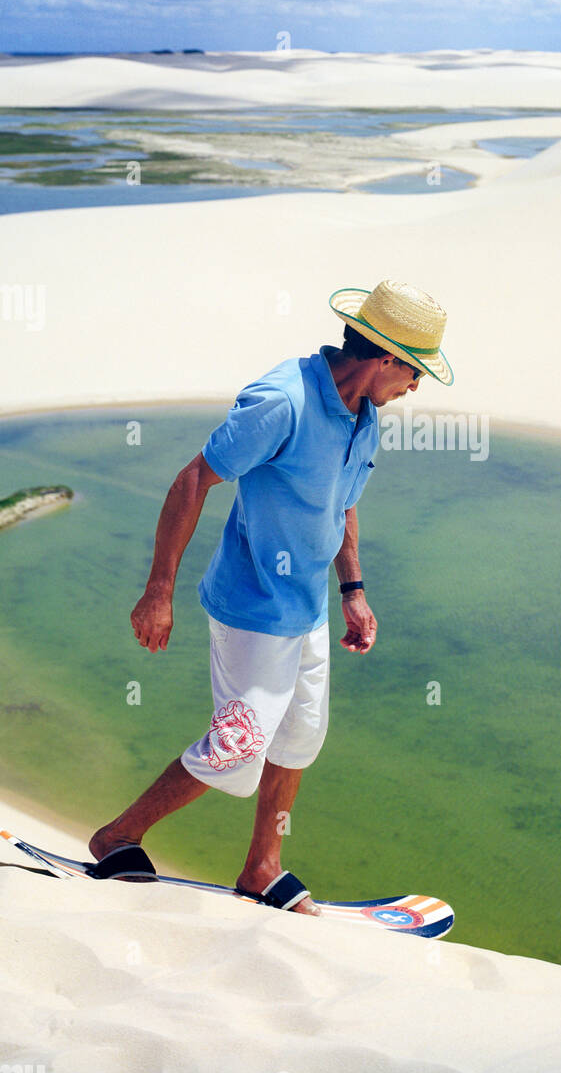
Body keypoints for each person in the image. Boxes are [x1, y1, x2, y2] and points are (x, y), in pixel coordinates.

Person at [88, 280, 453, 915]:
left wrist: (354, 591)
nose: (415, 388)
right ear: (386, 358)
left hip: (307, 608)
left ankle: (262, 867)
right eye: (415, 372)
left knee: (299, 739)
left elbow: (343, 501)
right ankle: (117, 836)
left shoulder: (364, 415)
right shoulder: (282, 401)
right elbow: (195, 477)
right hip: (252, 608)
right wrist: (158, 590)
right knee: (236, 747)